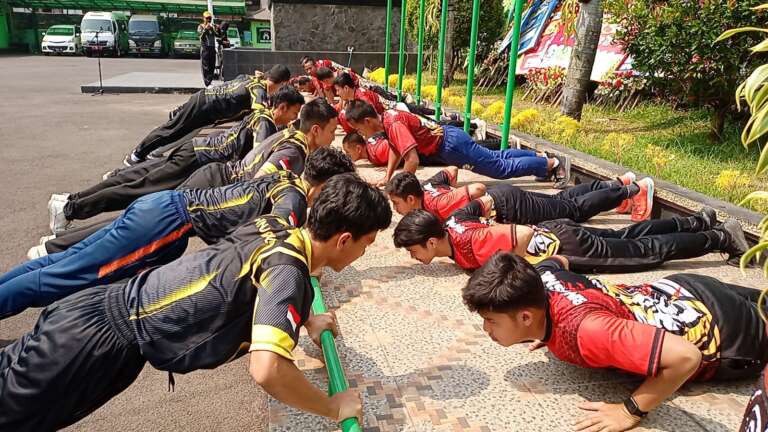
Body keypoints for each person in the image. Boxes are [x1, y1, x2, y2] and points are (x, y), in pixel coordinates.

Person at [0, 173, 392, 431]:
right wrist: (332, 407)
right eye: (366, 244)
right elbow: (268, 369)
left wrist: (306, 318)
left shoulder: (275, 227)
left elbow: (252, 273)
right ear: (344, 240)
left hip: (94, 312)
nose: (362, 254)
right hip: (91, 346)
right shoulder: (288, 272)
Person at [4, 149, 355, 319]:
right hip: (164, 223)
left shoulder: (284, 178)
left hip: (165, 208)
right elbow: (283, 239)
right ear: (326, 185)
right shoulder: (292, 198)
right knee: (69, 276)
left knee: (62, 264)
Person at [462, 252, 768, 431]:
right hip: (683, 288)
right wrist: (544, 331)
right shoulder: (540, 279)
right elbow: (558, 261)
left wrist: (630, 411)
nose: (486, 329)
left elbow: (686, 357)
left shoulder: (587, 330)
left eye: (491, 320)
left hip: (729, 333)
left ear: (526, 315)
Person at [47, 86, 305, 233]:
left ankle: (70, 202)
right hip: (196, 161)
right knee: (138, 193)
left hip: (195, 150)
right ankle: (70, 209)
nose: (292, 120)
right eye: (292, 113)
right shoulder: (266, 125)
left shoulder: (260, 112)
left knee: (136, 181)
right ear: (281, 107)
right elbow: (256, 163)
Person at [392, 204, 749, 273]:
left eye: (412, 250)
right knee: (627, 235)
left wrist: (518, 271)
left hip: (566, 247)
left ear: (432, 241)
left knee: (644, 252)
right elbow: (476, 205)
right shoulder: (454, 227)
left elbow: (521, 234)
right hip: (559, 231)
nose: (412, 257)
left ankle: (719, 237)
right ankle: (697, 221)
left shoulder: (470, 245)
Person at [344, 101, 571, 187]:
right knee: (497, 158)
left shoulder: (393, 125)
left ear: (366, 121)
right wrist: (388, 176)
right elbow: (396, 150)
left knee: (499, 169)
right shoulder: (387, 120)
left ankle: (553, 164)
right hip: (450, 139)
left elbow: (411, 160)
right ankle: (541, 160)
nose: (360, 134)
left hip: (450, 146)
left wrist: (403, 186)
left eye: (358, 129)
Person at [124, 64, 291, 166]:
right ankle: (136, 155)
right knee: (171, 131)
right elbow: (260, 114)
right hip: (205, 107)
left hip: (204, 103)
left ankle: (148, 153)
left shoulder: (252, 80)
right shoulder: (259, 91)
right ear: (282, 82)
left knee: (178, 133)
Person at [178, 97, 339, 190]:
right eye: (332, 131)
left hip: (217, 179)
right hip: (217, 185)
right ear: (316, 130)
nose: (333, 138)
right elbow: (257, 185)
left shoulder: (294, 135)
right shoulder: (294, 151)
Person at [386, 169, 654, 224]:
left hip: (508, 206)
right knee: (564, 202)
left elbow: (478, 188)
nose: (396, 209)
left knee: (573, 211)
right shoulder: (429, 186)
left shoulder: (437, 203)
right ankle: (619, 183)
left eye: (396, 203)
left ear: (411, 199)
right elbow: (450, 171)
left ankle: (635, 190)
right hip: (506, 199)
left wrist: (464, 203)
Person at [198, 11, 220, 87]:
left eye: (210, 18)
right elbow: (201, 37)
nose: (209, 20)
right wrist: (205, 29)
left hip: (212, 48)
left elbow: (218, 35)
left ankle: (210, 81)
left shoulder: (212, 26)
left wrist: (218, 29)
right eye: (207, 18)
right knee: (206, 66)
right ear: (203, 18)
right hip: (205, 48)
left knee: (212, 65)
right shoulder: (201, 26)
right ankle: (207, 83)